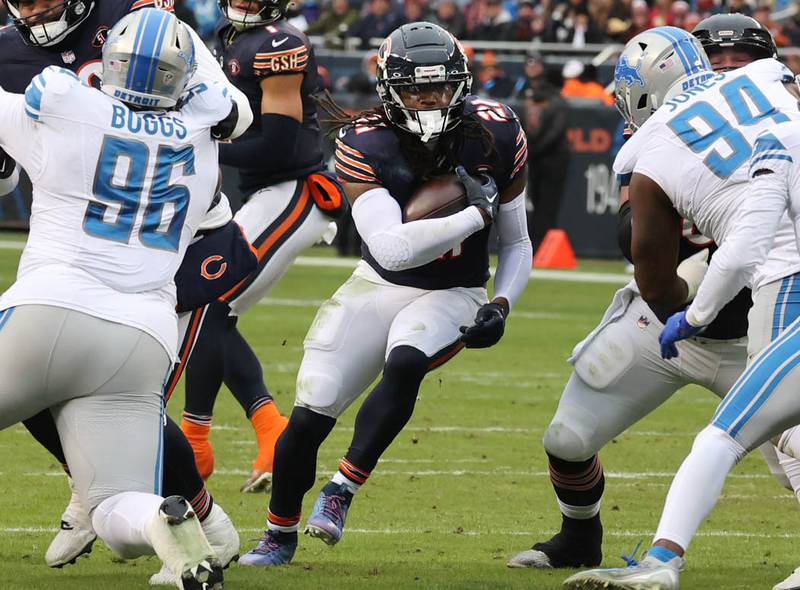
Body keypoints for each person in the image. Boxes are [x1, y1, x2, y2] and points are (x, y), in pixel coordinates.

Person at [507, 16, 800, 575]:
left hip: (760, 327)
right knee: (568, 437)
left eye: (742, 61)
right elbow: (638, 250)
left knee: (793, 457)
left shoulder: (779, 107)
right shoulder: (661, 138)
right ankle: (578, 538)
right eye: (721, 61)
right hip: (670, 317)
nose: (731, 71)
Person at [238, 21, 532, 567]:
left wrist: (501, 303)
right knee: (311, 409)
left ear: (461, 85)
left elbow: (517, 242)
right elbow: (394, 250)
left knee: (406, 359)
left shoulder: (495, 132)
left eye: (440, 87)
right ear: (389, 90)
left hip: (455, 291)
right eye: (416, 89)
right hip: (380, 283)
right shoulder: (363, 138)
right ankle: (278, 535)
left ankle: (341, 491)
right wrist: (474, 212)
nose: (429, 100)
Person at [0, 0, 252, 577]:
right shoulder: (202, 144)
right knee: (116, 507)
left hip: (49, 310)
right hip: (141, 338)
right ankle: (165, 523)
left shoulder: (66, 109)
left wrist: (50, 92)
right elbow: (229, 112)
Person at [180, 0, 348, 494]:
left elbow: (276, 143)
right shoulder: (227, 38)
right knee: (207, 306)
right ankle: (272, 429)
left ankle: (195, 435)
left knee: (208, 301)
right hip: (262, 192)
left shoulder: (279, 43)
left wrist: (200, 144)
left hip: (295, 190)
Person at [523, 83, 569, 246]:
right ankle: (536, 243)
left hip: (549, 161)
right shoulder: (532, 109)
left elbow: (554, 134)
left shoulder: (555, 108)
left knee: (546, 205)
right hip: (538, 161)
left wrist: (533, 150)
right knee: (538, 203)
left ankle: (541, 244)